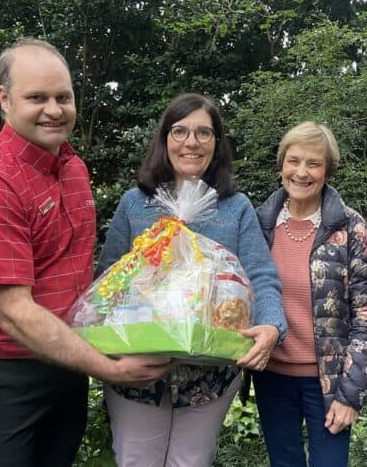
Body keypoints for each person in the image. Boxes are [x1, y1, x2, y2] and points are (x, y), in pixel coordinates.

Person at [0, 38, 173, 467]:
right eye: (37, 97)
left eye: (63, 97)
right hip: (0, 378)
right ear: (4, 99)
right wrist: (111, 369)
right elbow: (13, 313)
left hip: (65, 362)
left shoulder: (72, 168)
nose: (54, 109)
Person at [96, 93, 287, 467]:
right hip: (136, 371)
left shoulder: (235, 208)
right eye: (180, 131)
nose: (191, 142)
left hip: (209, 374)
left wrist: (271, 325)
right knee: (136, 461)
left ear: (216, 143)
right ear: (164, 138)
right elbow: (108, 279)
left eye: (204, 133)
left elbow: (261, 276)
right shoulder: (135, 203)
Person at [252, 121, 367, 466]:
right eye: (293, 161)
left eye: (313, 163)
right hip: (272, 376)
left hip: (330, 380)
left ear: (327, 170)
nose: (301, 172)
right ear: (281, 164)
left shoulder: (350, 227)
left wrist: (351, 393)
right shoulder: (259, 224)